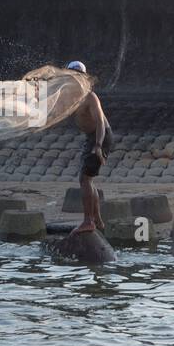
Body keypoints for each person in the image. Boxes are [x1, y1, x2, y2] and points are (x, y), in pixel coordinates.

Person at [66, 60, 111, 234]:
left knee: (85, 179)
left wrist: (98, 145)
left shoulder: (89, 97)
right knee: (87, 179)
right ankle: (97, 221)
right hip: (91, 138)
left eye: (78, 76)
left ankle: (88, 221)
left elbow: (100, 121)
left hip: (100, 137)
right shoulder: (71, 97)